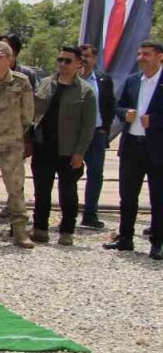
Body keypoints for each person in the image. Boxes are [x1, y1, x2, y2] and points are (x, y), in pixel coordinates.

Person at [29, 46, 97, 246]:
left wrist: (79, 153)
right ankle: (40, 228)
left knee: (68, 192)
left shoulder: (86, 92)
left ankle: (67, 230)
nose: (62, 64)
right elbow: (34, 114)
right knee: (41, 190)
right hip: (43, 147)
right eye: (60, 60)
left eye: (67, 61)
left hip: (68, 150)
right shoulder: (45, 84)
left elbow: (88, 127)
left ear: (78, 64)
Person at [104, 41, 163, 259]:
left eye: (146, 54)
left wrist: (155, 120)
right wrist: (124, 113)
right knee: (127, 196)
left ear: (160, 57)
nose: (141, 58)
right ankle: (125, 238)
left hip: (157, 149)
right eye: (139, 54)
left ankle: (158, 242)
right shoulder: (132, 81)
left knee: (158, 197)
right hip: (131, 147)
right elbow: (117, 106)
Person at [0, 40, 36, 248]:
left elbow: (27, 115)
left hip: (11, 144)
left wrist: (15, 134)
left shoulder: (21, 82)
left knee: (15, 188)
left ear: (9, 59)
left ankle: (20, 231)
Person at [79, 43, 116, 229]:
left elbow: (110, 105)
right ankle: (68, 213)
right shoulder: (70, 78)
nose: (84, 59)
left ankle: (90, 213)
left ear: (94, 59)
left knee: (95, 174)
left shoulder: (103, 80)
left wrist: (105, 129)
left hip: (96, 134)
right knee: (69, 175)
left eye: (88, 56)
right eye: (81, 56)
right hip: (75, 136)